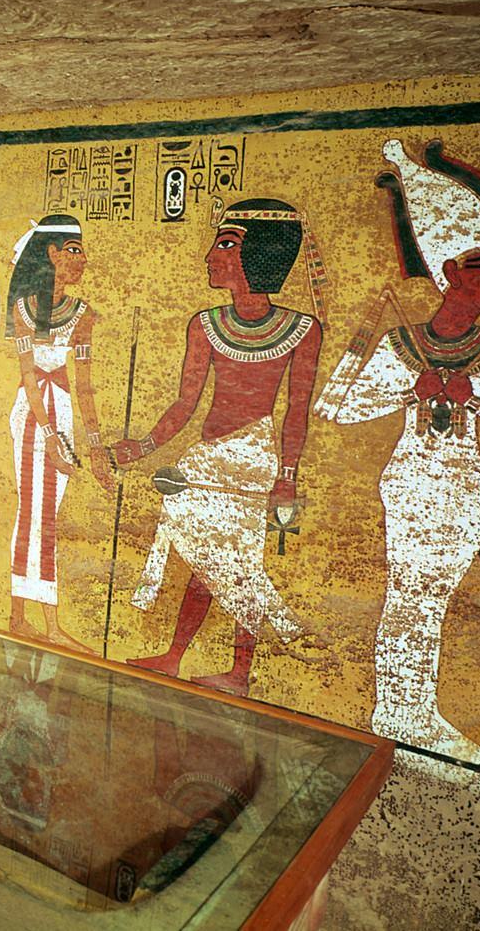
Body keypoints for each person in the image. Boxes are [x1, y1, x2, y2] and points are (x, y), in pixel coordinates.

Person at [315, 139, 480, 765]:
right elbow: (340, 408)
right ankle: (402, 713)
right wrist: (414, 385)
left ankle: (409, 710)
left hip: (462, 484)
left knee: (427, 598)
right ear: (450, 275)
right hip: (413, 482)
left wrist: (479, 393)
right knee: (413, 596)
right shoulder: (403, 342)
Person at [114, 199, 324, 696]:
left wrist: (286, 477)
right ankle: (174, 655)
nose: (212, 255)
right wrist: (142, 446)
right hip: (208, 456)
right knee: (203, 561)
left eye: (226, 243)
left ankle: (239, 672)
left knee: (241, 566)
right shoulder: (204, 323)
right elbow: (186, 402)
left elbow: (297, 410)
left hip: (254, 457)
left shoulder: (302, 331)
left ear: (262, 256)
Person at [4, 214, 112, 652]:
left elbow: (82, 382)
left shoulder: (83, 315)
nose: (82, 260)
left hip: (61, 410)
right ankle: (44, 624)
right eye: (73, 250)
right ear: (51, 254)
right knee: (37, 515)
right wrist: (49, 435)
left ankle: (20, 616)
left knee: (39, 514)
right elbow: (29, 376)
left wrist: (96, 444)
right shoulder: (24, 309)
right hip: (33, 415)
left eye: (82, 251)